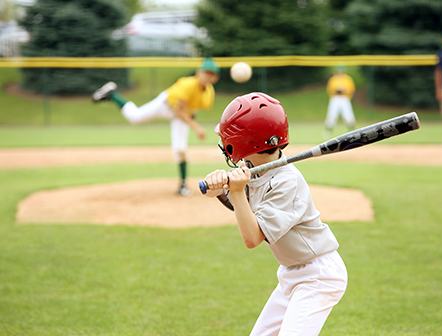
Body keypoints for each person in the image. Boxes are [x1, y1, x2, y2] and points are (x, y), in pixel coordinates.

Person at [203, 92, 348, 336]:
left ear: (244, 143)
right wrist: (218, 191)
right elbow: (242, 208)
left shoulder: (286, 181)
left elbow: (252, 238)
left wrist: (237, 191)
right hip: (292, 272)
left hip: (318, 275)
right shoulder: (252, 168)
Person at [92, 58, 220, 196]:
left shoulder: (209, 93)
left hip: (182, 115)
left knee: (180, 148)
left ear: (215, 78)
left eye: (211, 74)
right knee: (135, 117)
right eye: (205, 72)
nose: (207, 76)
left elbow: (194, 108)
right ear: (198, 72)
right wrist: (196, 126)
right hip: (166, 105)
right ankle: (112, 94)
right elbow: (179, 111)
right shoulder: (188, 84)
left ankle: (183, 185)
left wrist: (192, 120)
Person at [323, 65, 356, 138]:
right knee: (332, 115)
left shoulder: (348, 79)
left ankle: (352, 132)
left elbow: (352, 89)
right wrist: (336, 90)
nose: (340, 72)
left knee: (348, 115)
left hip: (345, 98)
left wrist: (344, 90)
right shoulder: (333, 79)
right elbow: (329, 89)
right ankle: (328, 131)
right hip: (335, 98)